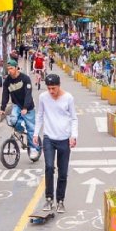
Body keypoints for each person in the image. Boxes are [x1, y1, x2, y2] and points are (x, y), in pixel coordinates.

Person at [34, 74, 78, 214]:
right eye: (49, 88)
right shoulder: (43, 97)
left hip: (64, 138)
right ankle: (48, 198)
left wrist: (73, 135)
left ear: (59, 85)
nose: (51, 91)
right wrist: (36, 133)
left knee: (63, 172)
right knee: (49, 167)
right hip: (49, 137)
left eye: (54, 88)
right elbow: (40, 115)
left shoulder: (68, 98)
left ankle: (60, 200)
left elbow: (73, 118)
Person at [0, 60, 39, 159]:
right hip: (17, 105)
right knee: (13, 120)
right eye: (8, 69)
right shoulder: (7, 81)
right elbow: (5, 95)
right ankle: (20, 130)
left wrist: (26, 107)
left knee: (31, 128)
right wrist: (2, 108)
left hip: (28, 106)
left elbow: (28, 94)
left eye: (11, 68)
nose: (9, 71)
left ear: (16, 67)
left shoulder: (25, 78)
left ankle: (34, 148)